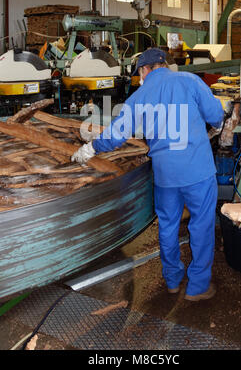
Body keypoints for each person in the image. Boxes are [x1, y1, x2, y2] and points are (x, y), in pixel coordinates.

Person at [71, 48, 224, 301]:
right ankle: (197, 287)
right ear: (164, 64)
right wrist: (217, 127)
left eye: (138, 73)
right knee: (201, 227)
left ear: (145, 69)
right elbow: (216, 114)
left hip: (165, 174)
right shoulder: (189, 80)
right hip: (197, 170)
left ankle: (173, 281)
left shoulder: (139, 96)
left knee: (167, 226)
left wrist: (90, 149)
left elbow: (116, 135)